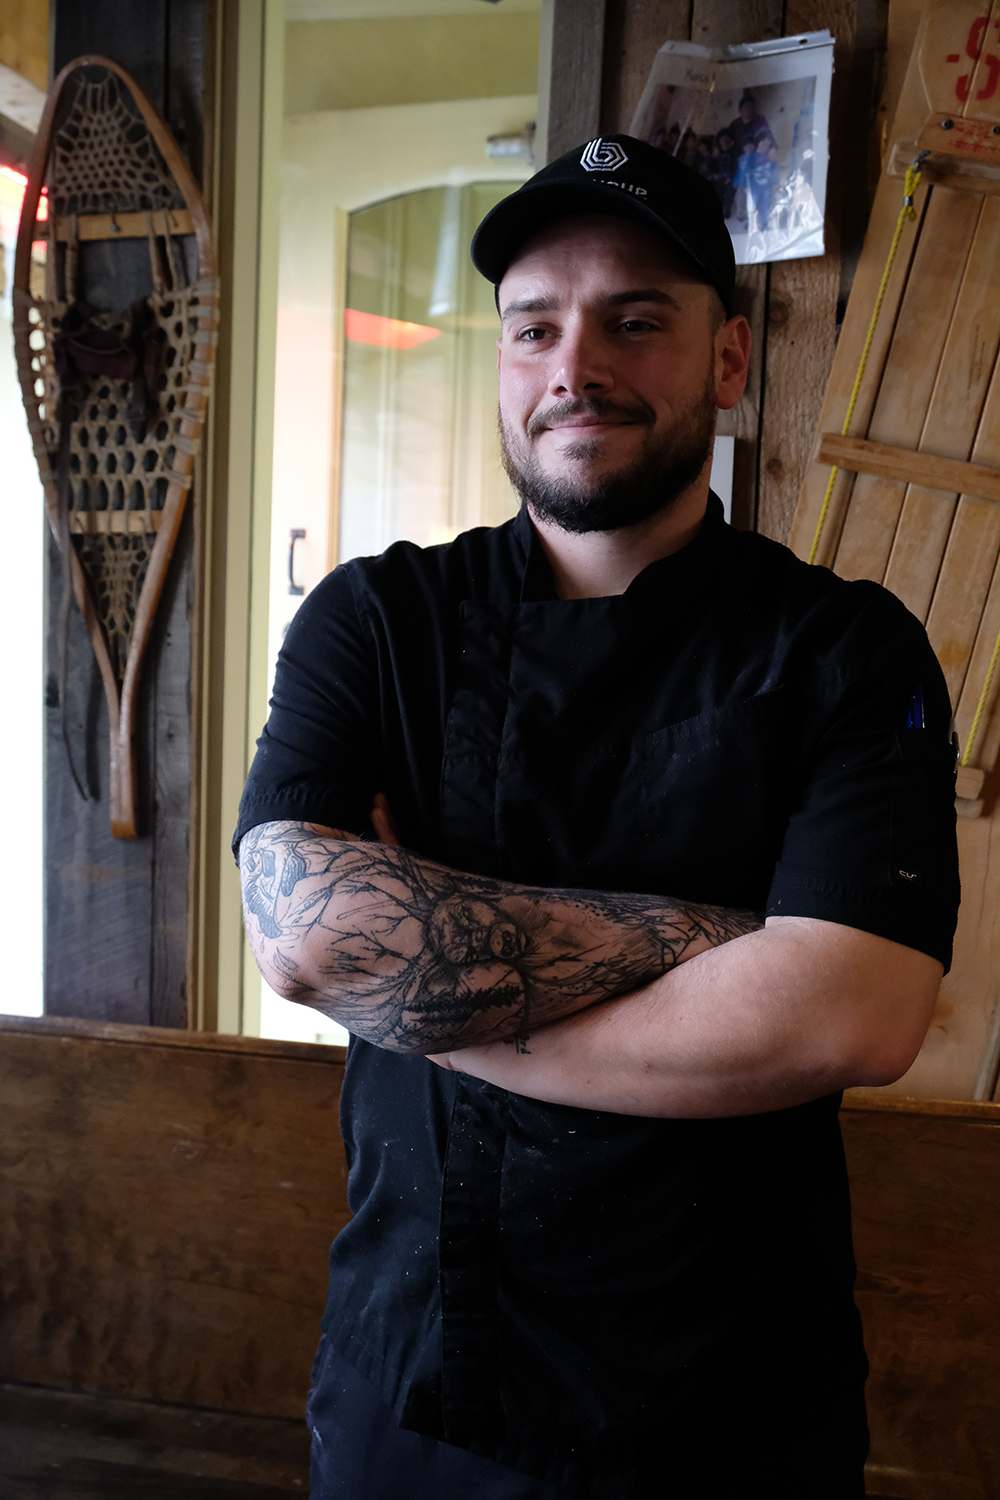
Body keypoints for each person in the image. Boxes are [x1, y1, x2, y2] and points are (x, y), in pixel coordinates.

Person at [236, 133, 959, 1499]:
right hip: (421, 1385)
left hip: (734, 1402)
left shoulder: (848, 653)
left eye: (638, 320)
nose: (577, 365)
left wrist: (435, 998)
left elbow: (855, 1014)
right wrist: (737, 945)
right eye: (536, 328)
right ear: (504, 361)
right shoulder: (373, 623)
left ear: (729, 360)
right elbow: (318, 941)